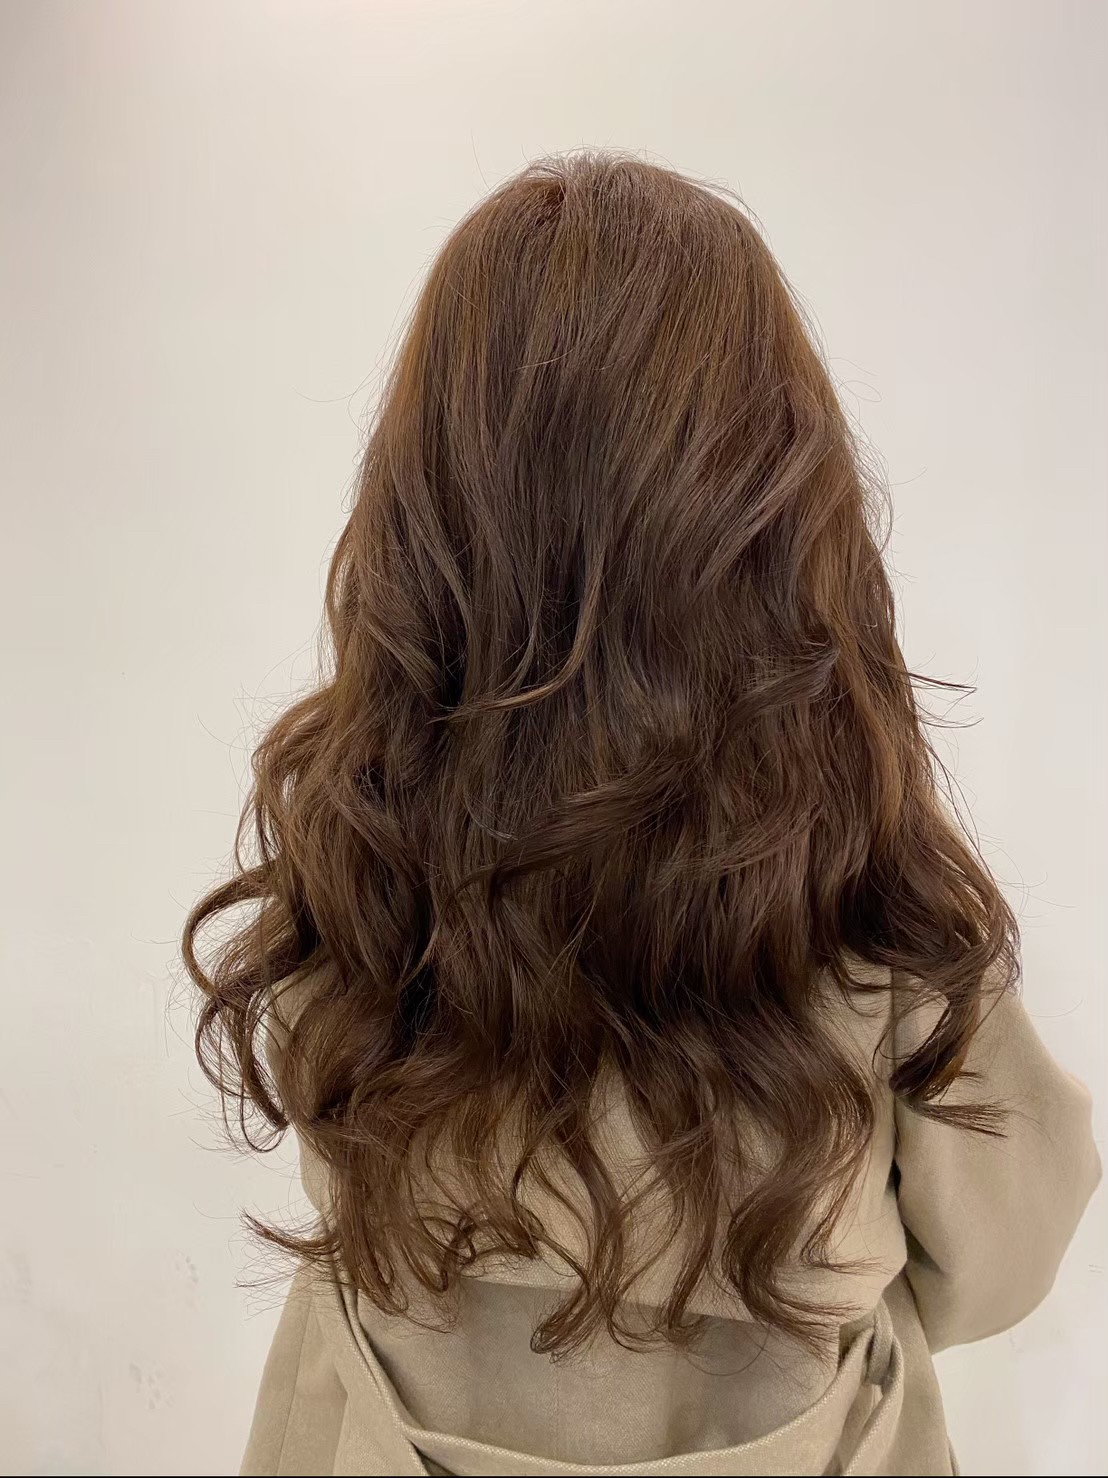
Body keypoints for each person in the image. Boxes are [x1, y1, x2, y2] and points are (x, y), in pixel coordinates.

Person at [183, 154, 1099, 1477]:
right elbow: (1009, 1241)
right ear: (772, 509)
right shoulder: (871, 898)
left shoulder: (357, 851)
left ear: (429, 514)